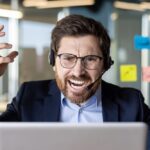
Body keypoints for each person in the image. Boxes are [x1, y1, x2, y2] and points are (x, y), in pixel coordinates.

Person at [0, 14, 150, 147]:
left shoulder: (132, 103)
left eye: (90, 59)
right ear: (53, 62)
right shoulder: (29, 96)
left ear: (106, 65)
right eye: (68, 58)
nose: (78, 72)